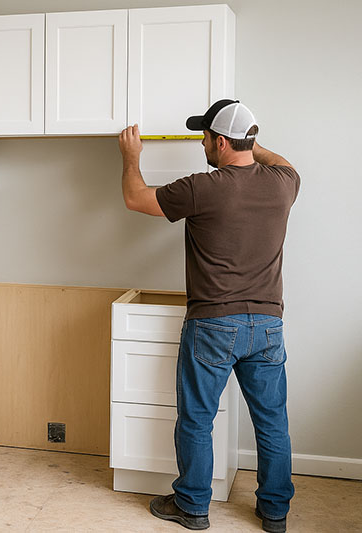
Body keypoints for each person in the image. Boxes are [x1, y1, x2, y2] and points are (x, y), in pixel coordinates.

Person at [118, 100, 299, 533]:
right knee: (272, 423)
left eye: (205, 136)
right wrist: (251, 144)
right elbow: (280, 161)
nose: (201, 143)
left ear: (220, 141)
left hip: (214, 324)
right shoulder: (284, 183)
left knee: (197, 418)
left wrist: (131, 158)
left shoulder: (203, 186)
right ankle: (275, 513)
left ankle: (193, 506)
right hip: (268, 325)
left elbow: (133, 198)